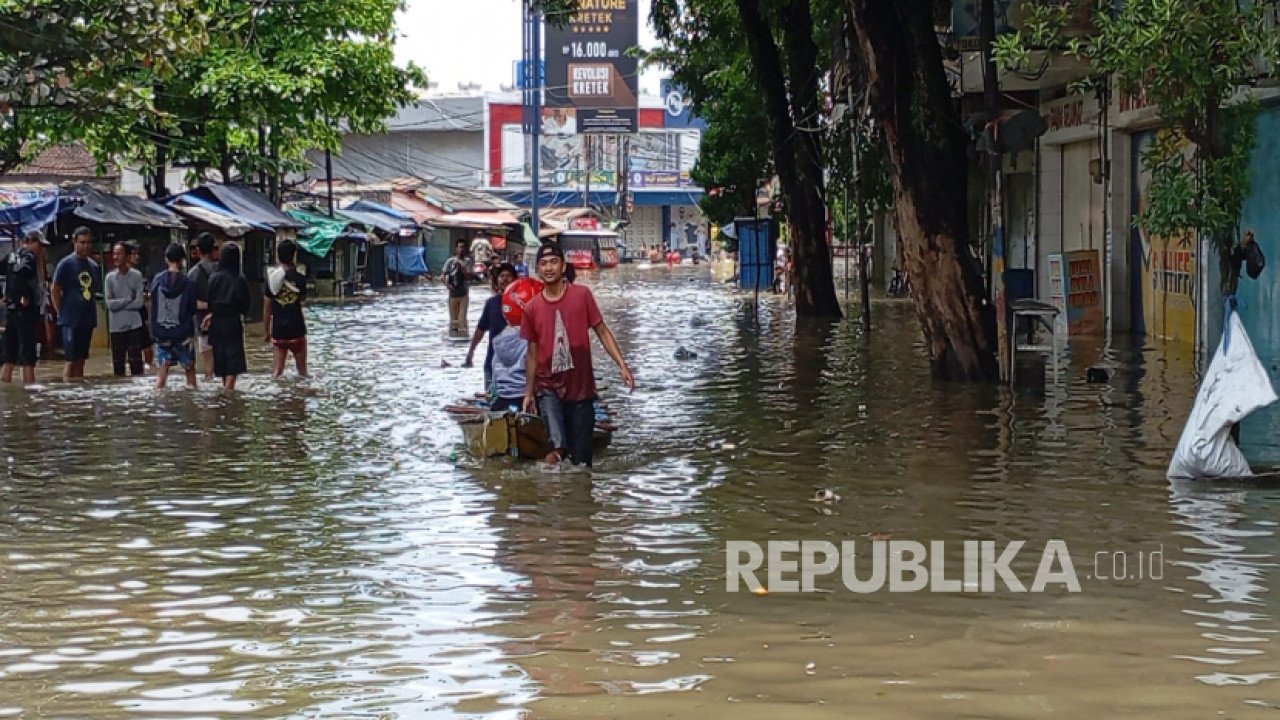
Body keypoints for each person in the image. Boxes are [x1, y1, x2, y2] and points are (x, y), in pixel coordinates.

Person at [521, 244, 635, 467]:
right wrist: (528, 393)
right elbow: (532, 353)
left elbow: (602, 331)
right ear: (538, 270)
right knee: (557, 446)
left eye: (554, 262)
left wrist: (622, 364)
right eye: (543, 264)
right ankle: (550, 492)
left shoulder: (582, 295)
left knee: (582, 460)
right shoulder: (531, 308)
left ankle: (577, 497)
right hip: (547, 387)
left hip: (581, 388)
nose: (549, 268)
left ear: (563, 267)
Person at [51, 226, 103, 381]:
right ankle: (68, 391)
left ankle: (79, 392)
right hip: (70, 319)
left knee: (81, 360)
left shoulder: (93, 266)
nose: (85, 246)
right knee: (70, 360)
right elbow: (55, 288)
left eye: (88, 242)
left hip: (87, 319)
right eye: (82, 242)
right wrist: (60, 311)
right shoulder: (65, 264)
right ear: (75, 242)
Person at [1, 230, 50, 384]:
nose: (41, 250)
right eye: (40, 245)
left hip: (11, 310)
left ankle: (6, 388)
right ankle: (30, 395)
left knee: (9, 357)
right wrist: (25, 296)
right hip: (25, 312)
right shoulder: (29, 256)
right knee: (28, 358)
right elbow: (21, 271)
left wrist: (7, 297)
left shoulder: (11, 256)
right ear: (31, 242)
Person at [149, 243, 198, 389]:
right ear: (182, 260)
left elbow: (153, 306)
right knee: (189, 372)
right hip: (183, 335)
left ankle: (159, 405)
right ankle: (192, 405)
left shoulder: (156, 281)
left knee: (162, 375)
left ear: (166, 259)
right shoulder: (188, 283)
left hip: (162, 334)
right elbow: (192, 308)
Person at [202, 241, 250, 390]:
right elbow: (246, 305)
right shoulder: (240, 279)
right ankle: (228, 393)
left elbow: (208, 301)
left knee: (221, 360)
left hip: (216, 324)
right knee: (233, 362)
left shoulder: (213, 277)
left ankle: (225, 392)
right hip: (233, 323)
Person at [490, 277, 542, 411]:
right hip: (529, 402)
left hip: (502, 402)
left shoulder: (500, 340)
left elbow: (494, 378)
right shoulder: (535, 339)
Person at [464, 262, 517, 390]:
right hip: (492, 363)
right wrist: (471, 351)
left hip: (516, 364)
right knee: (491, 401)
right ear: (497, 280)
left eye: (509, 276)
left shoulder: (523, 304)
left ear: (516, 280)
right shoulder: (491, 303)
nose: (505, 279)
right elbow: (481, 329)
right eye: (501, 276)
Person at [263, 239, 308, 377]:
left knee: (277, 372)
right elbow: (303, 299)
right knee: (303, 373)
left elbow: (267, 306)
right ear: (293, 256)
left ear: (278, 256)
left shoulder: (271, 280)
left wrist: (266, 331)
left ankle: (277, 397)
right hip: (297, 329)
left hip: (279, 331)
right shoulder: (300, 279)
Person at [105, 241, 148, 377]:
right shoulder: (109, 278)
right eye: (114, 254)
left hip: (134, 326)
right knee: (118, 367)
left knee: (137, 366)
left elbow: (139, 302)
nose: (115, 257)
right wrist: (128, 299)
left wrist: (120, 303)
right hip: (116, 328)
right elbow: (109, 305)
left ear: (127, 256)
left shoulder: (136, 276)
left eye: (119, 254)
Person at [188, 233, 219, 379]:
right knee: (224, 367)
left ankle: (209, 398)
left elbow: (190, 303)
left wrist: (207, 305)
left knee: (208, 366)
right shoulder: (222, 271)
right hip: (222, 323)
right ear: (214, 249)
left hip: (202, 325)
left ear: (198, 250)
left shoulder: (192, 274)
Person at [128, 242, 155, 368]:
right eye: (133, 254)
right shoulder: (120, 276)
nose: (137, 257)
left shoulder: (139, 275)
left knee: (148, 348)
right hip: (129, 318)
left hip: (141, 315)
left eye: (138, 253)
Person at [442, 239, 471, 336]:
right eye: (460, 247)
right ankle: (453, 335)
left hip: (464, 294)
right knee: (453, 320)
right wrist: (447, 285)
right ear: (456, 248)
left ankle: (463, 335)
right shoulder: (450, 261)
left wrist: (462, 267)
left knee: (461, 319)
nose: (461, 249)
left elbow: (468, 276)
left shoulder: (467, 261)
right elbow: (442, 275)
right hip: (452, 294)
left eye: (463, 247)